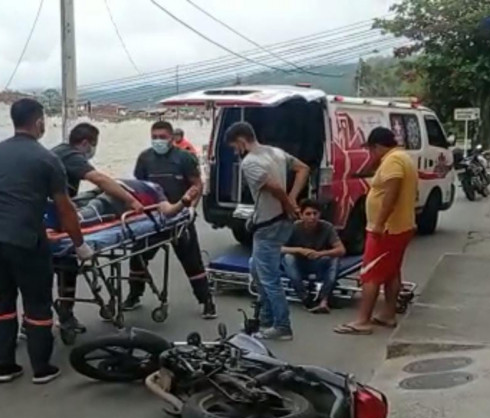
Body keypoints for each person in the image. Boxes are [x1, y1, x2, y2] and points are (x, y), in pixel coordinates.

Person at [0, 98, 90, 385]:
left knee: (2, 297)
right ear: (38, 122)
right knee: (37, 302)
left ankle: (5, 367)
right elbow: (65, 209)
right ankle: (41, 368)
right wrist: (80, 245)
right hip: (24, 237)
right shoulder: (47, 159)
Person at [50, 122, 143, 334]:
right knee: (67, 262)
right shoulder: (72, 156)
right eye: (94, 145)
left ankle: (42, 319)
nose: (92, 150)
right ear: (85, 143)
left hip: (50, 211)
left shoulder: (58, 152)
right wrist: (131, 200)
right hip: (56, 215)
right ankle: (65, 315)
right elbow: (99, 179)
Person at [225, 121, 310, 341]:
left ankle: (282, 325)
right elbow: (303, 169)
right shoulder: (276, 152)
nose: (236, 151)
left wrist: (288, 202)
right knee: (256, 266)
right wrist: (292, 200)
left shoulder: (250, 162)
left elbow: (274, 187)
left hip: (269, 224)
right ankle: (266, 316)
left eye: (235, 146)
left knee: (269, 277)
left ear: (242, 141)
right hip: (279, 221)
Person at [126, 120, 216, 319]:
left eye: (162, 137)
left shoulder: (184, 158)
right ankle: (134, 295)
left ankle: (206, 301)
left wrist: (192, 208)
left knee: (192, 261)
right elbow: (138, 186)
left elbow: (196, 184)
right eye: (154, 137)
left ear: (172, 138)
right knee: (137, 257)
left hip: (180, 217)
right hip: (152, 220)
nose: (158, 141)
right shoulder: (145, 158)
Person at [335, 127, 417, 336]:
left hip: (387, 229)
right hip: (401, 226)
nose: (371, 155)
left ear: (378, 146)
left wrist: (379, 223)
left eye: (371, 150)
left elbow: (391, 192)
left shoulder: (393, 161)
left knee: (370, 274)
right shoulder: (403, 157)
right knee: (391, 272)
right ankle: (388, 314)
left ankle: (363, 320)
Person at [281, 199, 346, 314]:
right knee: (288, 258)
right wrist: (300, 250)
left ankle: (324, 299)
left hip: (317, 262)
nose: (312, 217)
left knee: (334, 260)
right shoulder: (294, 227)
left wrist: (320, 253)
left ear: (319, 215)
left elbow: (341, 250)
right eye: (308, 214)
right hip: (298, 264)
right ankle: (305, 298)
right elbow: (278, 248)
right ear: (301, 215)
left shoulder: (327, 227)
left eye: (315, 214)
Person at [74, 178, 192, 221]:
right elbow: (169, 211)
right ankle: (72, 212)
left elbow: (169, 211)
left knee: (96, 202)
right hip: (119, 189)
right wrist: (182, 202)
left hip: (116, 188)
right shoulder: (156, 189)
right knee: (94, 202)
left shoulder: (157, 192)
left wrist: (183, 202)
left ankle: (72, 212)